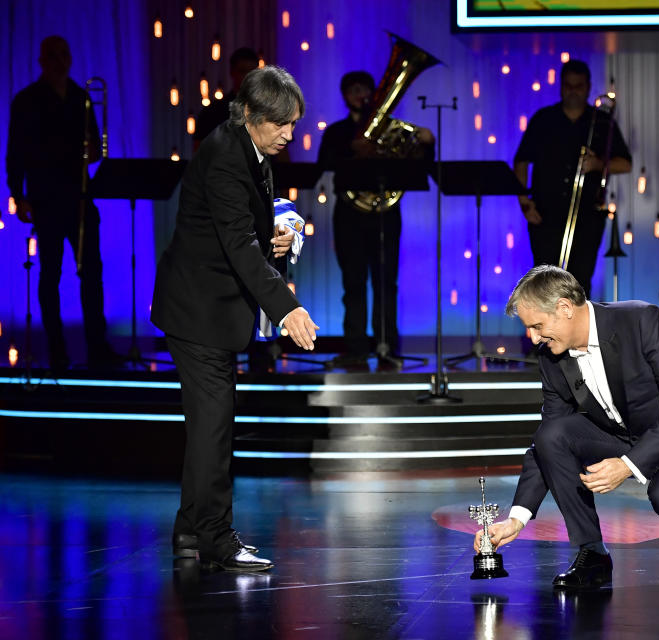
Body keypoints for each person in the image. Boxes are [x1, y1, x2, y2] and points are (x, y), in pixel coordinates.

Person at [151, 65, 319, 572]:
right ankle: (217, 540)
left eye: (293, 123)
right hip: (197, 310)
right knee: (214, 429)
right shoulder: (225, 155)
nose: (290, 134)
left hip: (211, 310)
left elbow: (249, 222)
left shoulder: (249, 147)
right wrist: (287, 306)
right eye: (281, 124)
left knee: (208, 427)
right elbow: (239, 245)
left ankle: (188, 528)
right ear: (250, 114)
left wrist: (280, 233)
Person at [475, 265, 659, 589]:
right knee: (553, 435)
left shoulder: (641, 321)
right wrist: (517, 517)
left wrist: (628, 465)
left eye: (537, 326)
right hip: (624, 435)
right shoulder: (551, 358)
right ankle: (592, 553)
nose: (533, 337)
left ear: (565, 308)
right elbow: (547, 441)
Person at [5, 35, 117, 370]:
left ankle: (97, 347)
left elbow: (94, 147)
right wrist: (18, 195)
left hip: (80, 198)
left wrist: (94, 151)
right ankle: (57, 350)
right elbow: (16, 153)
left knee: (92, 274)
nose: (59, 61)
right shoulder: (26, 100)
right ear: (42, 61)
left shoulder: (81, 97)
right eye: (52, 56)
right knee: (50, 275)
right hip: (46, 197)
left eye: (63, 55)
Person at [316, 70, 434, 366]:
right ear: (345, 95)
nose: (361, 95)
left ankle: (387, 347)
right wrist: (351, 150)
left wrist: (427, 143)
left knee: (386, 283)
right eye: (354, 90)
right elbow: (324, 163)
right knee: (353, 282)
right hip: (349, 214)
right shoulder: (337, 132)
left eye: (366, 89)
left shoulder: (390, 129)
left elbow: (420, 164)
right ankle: (355, 349)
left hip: (385, 214)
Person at [514, 59, 632, 298]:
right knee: (544, 280)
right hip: (544, 214)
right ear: (560, 87)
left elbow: (625, 163)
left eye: (579, 86)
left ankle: (577, 335)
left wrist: (598, 163)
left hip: (587, 214)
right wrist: (524, 203)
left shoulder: (601, 121)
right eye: (568, 85)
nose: (573, 91)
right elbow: (521, 161)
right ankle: (547, 334)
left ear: (588, 87)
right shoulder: (544, 119)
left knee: (580, 279)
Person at [193, 47, 260, 148]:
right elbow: (200, 154)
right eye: (243, 71)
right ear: (232, 72)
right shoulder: (212, 112)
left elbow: (283, 157)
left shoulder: (269, 112)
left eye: (252, 72)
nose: (248, 77)